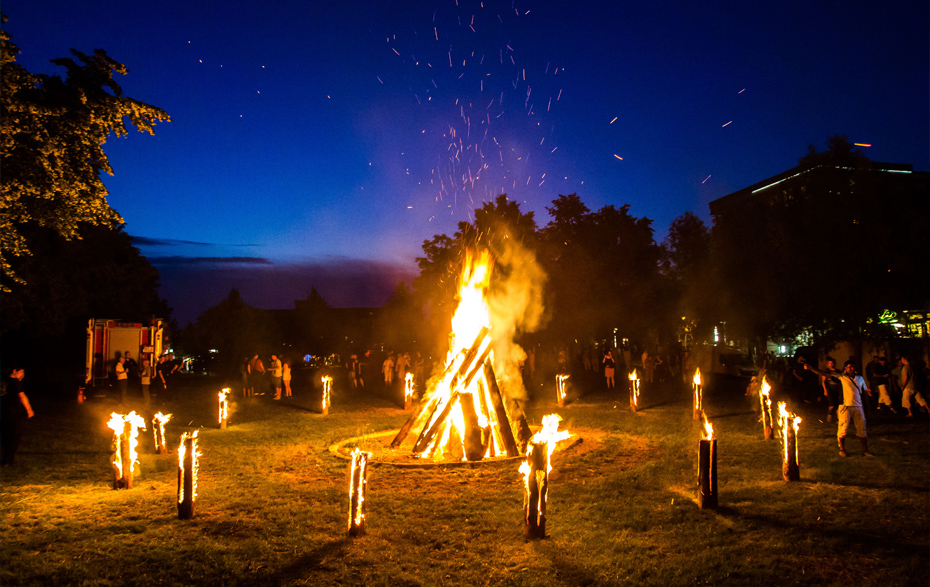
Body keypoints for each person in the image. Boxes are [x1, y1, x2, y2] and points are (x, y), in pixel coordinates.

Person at [806, 360, 872, 457]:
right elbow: (825, 374)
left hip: (858, 406)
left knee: (862, 429)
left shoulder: (860, 378)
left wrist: (868, 391)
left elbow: (864, 389)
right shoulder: (841, 377)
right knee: (843, 428)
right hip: (845, 406)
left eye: (852, 366)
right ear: (845, 368)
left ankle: (865, 450)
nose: (851, 368)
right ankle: (842, 449)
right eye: (849, 367)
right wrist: (811, 368)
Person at [1, 365, 35, 466]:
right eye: (21, 372)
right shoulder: (15, 382)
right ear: (14, 371)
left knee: (4, 434)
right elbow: (22, 396)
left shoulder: (3, 380)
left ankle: (4, 457)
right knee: (14, 435)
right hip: (13, 412)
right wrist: (29, 410)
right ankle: (7, 460)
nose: (22, 375)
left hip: (3, 411)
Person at [819, 357, 843, 422]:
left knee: (839, 405)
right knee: (831, 405)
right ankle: (829, 417)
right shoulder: (826, 371)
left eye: (832, 363)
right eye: (829, 363)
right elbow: (823, 381)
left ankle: (838, 419)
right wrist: (825, 390)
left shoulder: (838, 371)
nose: (831, 364)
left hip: (838, 389)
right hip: (830, 389)